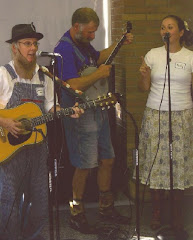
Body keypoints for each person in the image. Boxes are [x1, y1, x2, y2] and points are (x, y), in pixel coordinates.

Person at [54, 7, 133, 234]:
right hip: (79, 113)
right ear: (76, 27)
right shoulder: (64, 49)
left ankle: (106, 210)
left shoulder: (83, 43)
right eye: (89, 32)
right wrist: (99, 74)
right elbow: (73, 85)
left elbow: (96, 57)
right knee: (84, 165)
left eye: (94, 32)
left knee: (107, 159)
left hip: (98, 107)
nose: (92, 36)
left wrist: (118, 44)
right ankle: (76, 214)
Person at [0, 23, 83, 240]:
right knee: (9, 203)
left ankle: (29, 237)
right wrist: (6, 122)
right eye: (27, 44)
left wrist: (66, 111)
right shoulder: (3, 75)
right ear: (15, 48)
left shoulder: (44, 76)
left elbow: (50, 107)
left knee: (40, 202)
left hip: (37, 148)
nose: (33, 49)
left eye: (35, 44)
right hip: (9, 151)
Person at [138, 15, 193, 240]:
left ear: (180, 32)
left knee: (179, 164)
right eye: (163, 27)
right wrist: (144, 75)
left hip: (182, 115)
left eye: (170, 27)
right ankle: (157, 213)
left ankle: (178, 216)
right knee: (156, 162)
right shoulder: (153, 54)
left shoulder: (190, 56)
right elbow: (144, 88)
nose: (165, 30)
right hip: (155, 115)